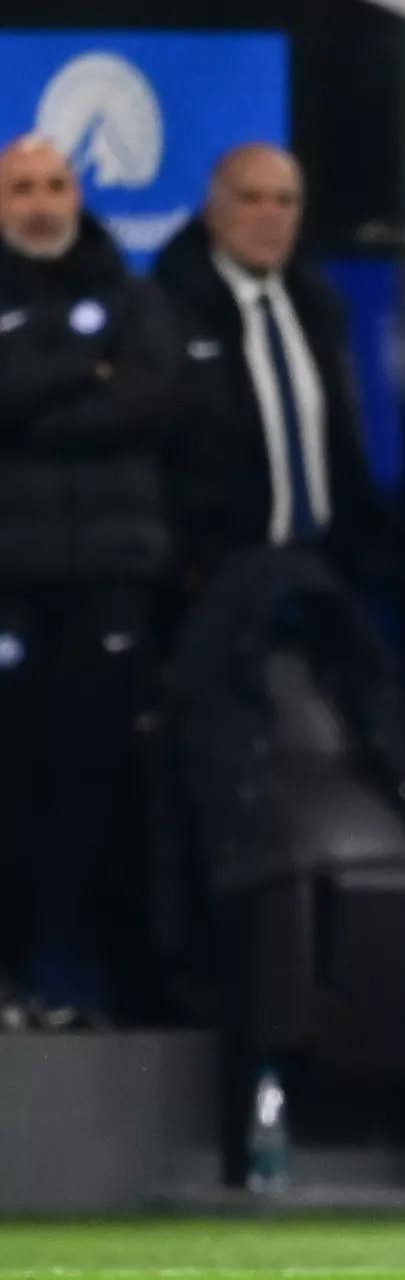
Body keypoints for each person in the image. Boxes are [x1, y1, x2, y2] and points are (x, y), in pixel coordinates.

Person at [0, 136, 178, 1021]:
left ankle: (72, 971)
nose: (41, 204)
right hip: (10, 581)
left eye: (56, 185)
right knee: (12, 774)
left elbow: (152, 398)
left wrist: (31, 396)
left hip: (110, 576)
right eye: (22, 188)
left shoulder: (134, 296)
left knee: (96, 774)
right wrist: (85, 370)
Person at [153, 144, 393, 584]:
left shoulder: (320, 307)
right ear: (212, 213)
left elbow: (342, 442)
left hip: (320, 566)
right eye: (251, 199)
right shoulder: (167, 311)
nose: (271, 216)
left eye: (286, 201)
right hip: (215, 577)